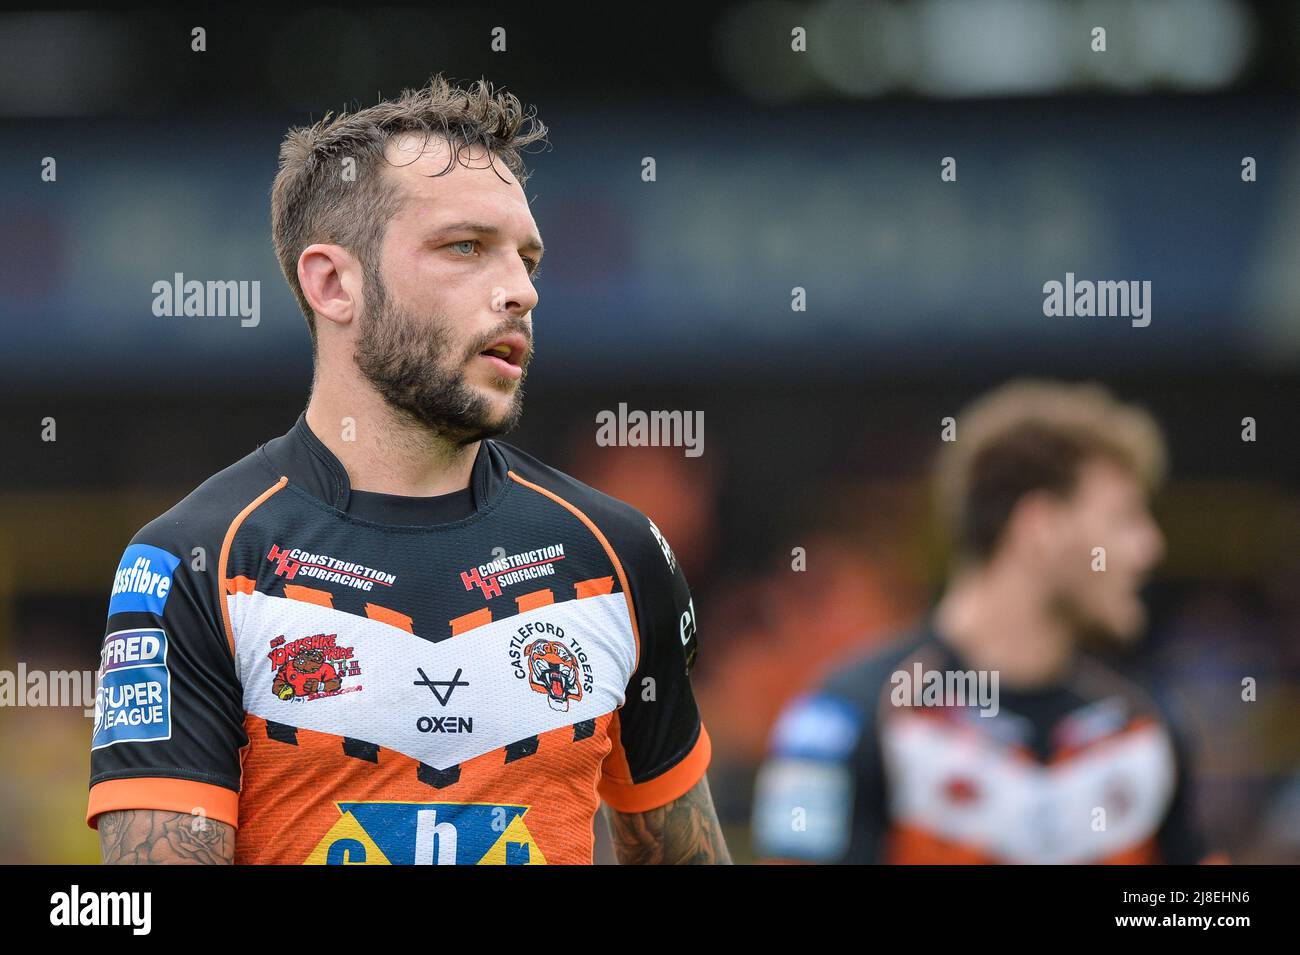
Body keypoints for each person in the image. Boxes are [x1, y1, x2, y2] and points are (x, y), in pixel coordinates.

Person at [87, 76, 728, 865]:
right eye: (466, 247)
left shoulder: (618, 555)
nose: (520, 290)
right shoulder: (195, 560)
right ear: (333, 283)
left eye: (527, 258)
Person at [752, 380, 1210, 864]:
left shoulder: (1145, 728)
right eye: (1124, 519)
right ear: (1040, 526)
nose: (1149, 549)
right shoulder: (848, 716)